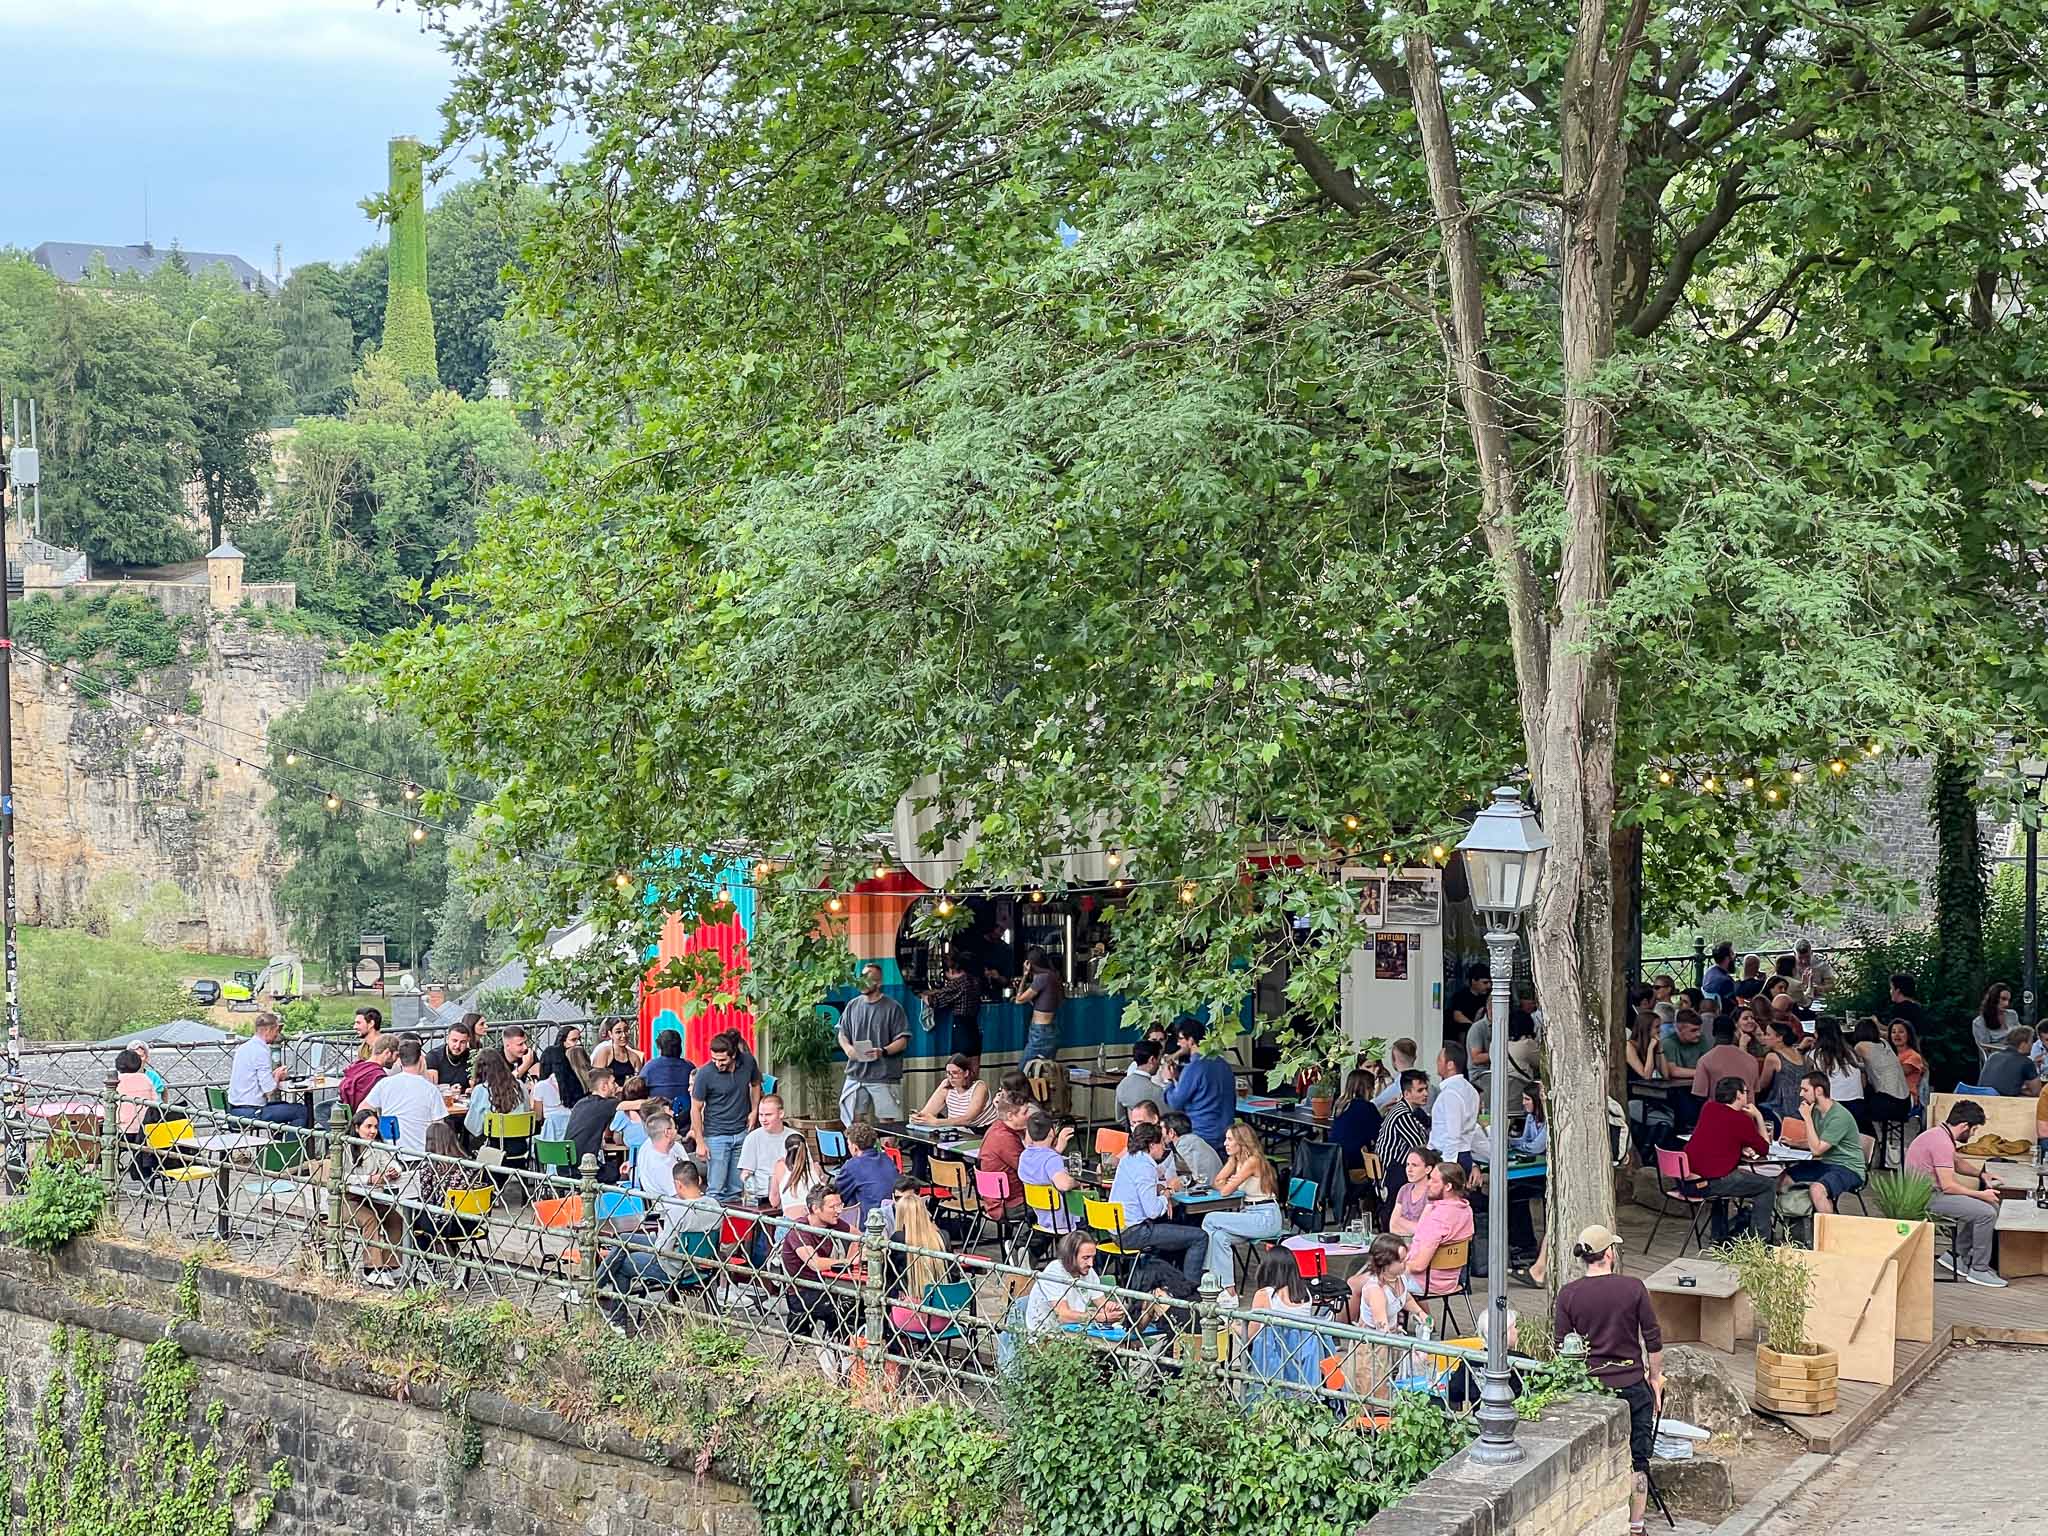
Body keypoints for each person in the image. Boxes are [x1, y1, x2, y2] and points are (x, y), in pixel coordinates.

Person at [1554, 1226, 1663, 1536]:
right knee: (1638, 1459)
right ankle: (1636, 1525)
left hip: (1591, 1388)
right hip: (1631, 1383)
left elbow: (1561, 1347)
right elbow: (1653, 1339)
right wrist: (1655, 1378)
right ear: (1609, 1254)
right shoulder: (1633, 1288)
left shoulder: (1569, 1294)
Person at [599, 1146, 723, 1322]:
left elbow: (662, 1249)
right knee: (623, 1240)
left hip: (675, 1267)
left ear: (678, 1184)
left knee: (623, 1263)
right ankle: (596, 1285)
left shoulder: (677, 1211)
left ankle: (616, 1319)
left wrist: (658, 1237)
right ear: (699, 1180)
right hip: (700, 1262)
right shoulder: (715, 1205)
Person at [1904, 1100, 2005, 1287]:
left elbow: (1957, 1163)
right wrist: (1981, 1194)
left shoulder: (1940, 1134)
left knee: (1989, 1206)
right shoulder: (1941, 1142)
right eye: (1974, 1129)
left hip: (1929, 1192)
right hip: (1925, 1197)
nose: (1974, 1134)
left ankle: (1957, 1256)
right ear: (1965, 1126)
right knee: (1986, 1212)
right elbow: (1949, 1187)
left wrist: (1982, 1175)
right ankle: (1979, 1269)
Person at [1108, 1122, 1207, 1290]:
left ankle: (1172, 1282)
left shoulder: (1128, 1159)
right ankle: (1189, 1290)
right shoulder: (1146, 1167)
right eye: (1161, 1142)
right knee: (1199, 1237)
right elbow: (1153, 1211)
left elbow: (1141, 1189)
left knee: (1175, 1230)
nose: (1164, 1146)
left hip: (1116, 1231)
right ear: (1151, 1145)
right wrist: (1168, 1192)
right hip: (1134, 1233)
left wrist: (1161, 1190)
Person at [1197, 1122, 1282, 1296]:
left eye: (1229, 1140)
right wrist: (1228, 1182)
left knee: (1210, 1218)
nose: (1225, 1144)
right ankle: (1229, 1292)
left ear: (1242, 1141)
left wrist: (1228, 1184)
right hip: (1249, 1214)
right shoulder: (1235, 1160)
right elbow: (1216, 1182)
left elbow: (1225, 1191)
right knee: (1219, 1237)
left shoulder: (1253, 1161)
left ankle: (1207, 1274)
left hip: (1265, 1217)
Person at [1687, 1078, 1776, 1241]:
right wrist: (1758, 1116)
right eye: (1745, 1092)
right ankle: (1760, 1241)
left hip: (1688, 1181)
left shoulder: (1709, 1108)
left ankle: (1718, 1235)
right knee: (1768, 1185)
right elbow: (1764, 1148)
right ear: (1738, 1095)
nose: (1747, 1095)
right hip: (1709, 1184)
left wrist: (1739, 1147)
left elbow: (1720, 1137)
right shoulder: (1741, 1120)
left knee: (1725, 1175)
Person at [781, 1187, 857, 1369]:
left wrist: (854, 1255)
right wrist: (847, 1262)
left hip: (828, 1286)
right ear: (816, 1208)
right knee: (849, 1308)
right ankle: (840, 1355)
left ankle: (847, 1357)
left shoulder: (832, 1223)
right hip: (803, 1292)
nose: (839, 1211)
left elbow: (860, 1237)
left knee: (860, 1305)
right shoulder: (800, 1230)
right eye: (833, 1207)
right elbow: (814, 1263)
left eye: (840, 1205)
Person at [342, 1106, 411, 1287]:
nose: (372, 1131)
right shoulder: (345, 1147)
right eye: (368, 1127)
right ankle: (372, 1268)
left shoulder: (378, 1147)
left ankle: (392, 1263)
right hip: (347, 1200)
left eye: (375, 1127)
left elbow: (393, 1163)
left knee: (395, 1218)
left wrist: (394, 1171)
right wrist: (369, 1179)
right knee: (370, 1219)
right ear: (357, 1128)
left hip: (372, 1198)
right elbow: (341, 1177)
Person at [690, 1029, 761, 1202]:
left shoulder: (748, 1062)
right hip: (716, 1136)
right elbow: (695, 1108)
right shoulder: (705, 1074)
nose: (717, 1064)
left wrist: (754, 1110)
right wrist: (700, 1142)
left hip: (742, 1132)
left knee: (736, 1189)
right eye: (714, 1059)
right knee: (716, 1189)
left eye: (722, 1060)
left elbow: (756, 1084)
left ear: (733, 1055)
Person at [887, 1188, 967, 1337]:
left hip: (907, 1317)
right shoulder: (942, 1237)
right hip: (942, 1318)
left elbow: (888, 1277)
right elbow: (954, 1276)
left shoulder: (898, 1239)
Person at [1783, 1071, 1866, 1215]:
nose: (1801, 1094)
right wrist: (1793, 1143)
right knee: (1783, 1180)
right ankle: (1790, 1222)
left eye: (1805, 1090)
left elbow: (1817, 1150)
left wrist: (1807, 1118)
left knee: (1817, 1190)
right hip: (1825, 1163)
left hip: (1848, 1167)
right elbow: (1816, 1142)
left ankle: (1828, 1227)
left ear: (1819, 1091)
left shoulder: (1839, 1116)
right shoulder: (1816, 1110)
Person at [837, 963, 909, 1121]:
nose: (862, 982)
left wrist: (882, 1051)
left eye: (868, 979)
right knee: (854, 1122)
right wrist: (848, 1049)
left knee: (888, 1124)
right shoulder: (852, 1005)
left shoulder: (893, 1008)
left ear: (879, 983)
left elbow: (902, 1041)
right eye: (861, 978)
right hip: (856, 1075)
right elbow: (842, 1033)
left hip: (884, 1076)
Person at [1026, 1229, 1123, 1335]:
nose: (1091, 1263)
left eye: (1093, 1257)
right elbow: (1063, 1315)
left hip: (1074, 1329)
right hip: (1045, 1333)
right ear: (1070, 1257)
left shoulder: (1088, 1271)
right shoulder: (1053, 1272)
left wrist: (1110, 1308)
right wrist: (1098, 1317)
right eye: (1086, 1258)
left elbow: (1102, 1304)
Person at [1404, 1161, 1474, 1297]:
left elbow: (1419, 1266)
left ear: (1448, 1186)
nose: (1428, 1183)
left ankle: (1413, 1308)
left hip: (1426, 1282)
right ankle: (1419, 1311)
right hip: (1452, 1280)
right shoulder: (1466, 1210)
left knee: (1364, 1282)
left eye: (1434, 1180)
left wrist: (1390, 1267)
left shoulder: (1437, 1219)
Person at [227, 1013, 311, 1127]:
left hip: (234, 1111)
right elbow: (269, 1090)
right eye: (276, 1031)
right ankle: (292, 1139)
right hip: (251, 1113)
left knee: (285, 1106)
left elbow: (254, 1078)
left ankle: (278, 1138)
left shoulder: (244, 1048)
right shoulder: (261, 1051)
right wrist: (277, 1076)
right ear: (268, 1030)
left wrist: (273, 1075)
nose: (277, 1034)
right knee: (301, 1111)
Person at [1162, 1018, 1233, 1148]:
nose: (1178, 1043)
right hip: (1227, 1132)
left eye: (1180, 1039)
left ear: (1191, 1040)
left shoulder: (1194, 1067)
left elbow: (1175, 1102)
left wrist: (1169, 1081)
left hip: (1202, 1133)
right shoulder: (1223, 1063)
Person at [1374, 1071, 1432, 1212]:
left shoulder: (1406, 1110)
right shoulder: (1402, 1115)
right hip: (1392, 1176)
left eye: (1426, 1089)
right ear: (1406, 1094)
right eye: (1420, 1090)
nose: (1426, 1094)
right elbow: (1420, 1148)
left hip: (1392, 1171)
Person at [922, 950, 984, 1077]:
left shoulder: (958, 983)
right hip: (974, 1028)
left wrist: (924, 996)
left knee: (959, 1067)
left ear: (953, 970)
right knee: (973, 1069)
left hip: (961, 1028)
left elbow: (934, 1001)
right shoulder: (975, 981)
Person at [1017, 1111, 1079, 1237]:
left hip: (1041, 1217)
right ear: (1051, 1132)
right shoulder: (1052, 1159)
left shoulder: (1025, 1156)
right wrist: (1077, 1182)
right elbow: (1064, 1185)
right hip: (1063, 1220)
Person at [1350, 1232, 1427, 1333]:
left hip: (1392, 1332)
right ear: (1385, 1264)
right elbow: (1382, 1329)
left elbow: (1405, 1298)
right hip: (1373, 1338)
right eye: (1401, 1260)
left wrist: (1420, 1312)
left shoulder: (1400, 1277)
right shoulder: (1376, 1291)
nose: (1406, 1262)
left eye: (1406, 1258)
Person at [462, 1048, 531, 1158]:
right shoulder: (519, 1085)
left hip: (492, 1151)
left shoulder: (481, 1090)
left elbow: (474, 1127)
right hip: (520, 1148)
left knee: (464, 1134)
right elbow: (526, 1112)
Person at [1427, 1041, 1480, 1171]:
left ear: (1450, 1065)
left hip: (1448, 1157)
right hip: (1461, 1153)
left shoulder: (1451, 1093)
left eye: (1439, 1060)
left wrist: (1447, 1165)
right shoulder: (1470, 1089)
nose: (1437, 1063)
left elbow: (1453, 1134)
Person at [565, 1069, 626, 1180]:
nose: (616, 1086)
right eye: (613, 1082)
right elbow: (628, 1105)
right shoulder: (607, 1104)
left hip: (565, 1167)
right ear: (604, 1086)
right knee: (624, 1170)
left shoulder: (580, 1103)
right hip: (585, 1169)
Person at [977, 1093, 1031, 1219]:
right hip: (1009, 1205)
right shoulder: (1004, 1138)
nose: (1029, 1116)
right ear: (1010, 1116)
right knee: (1062, 1203)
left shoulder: (997, 1127)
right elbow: (1030, 1171)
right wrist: (1057, 1149)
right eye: (1025, 1113)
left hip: (995, 1201)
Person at [833, 1120, 898, 1224]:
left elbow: (837, 1196)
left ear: (855, 1147)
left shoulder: (852, 1166)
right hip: (895, 1217)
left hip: (871, 1222)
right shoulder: (887, 1158)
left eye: (848, 1144)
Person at [1808, 1017, 1868, 1129]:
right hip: (1858, 1105)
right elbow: (1863, 1082)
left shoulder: (1815, 1055)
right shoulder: (1851, 1052)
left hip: (1833, 1106)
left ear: (1818, 1034)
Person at [1851, 1017, 1911, 1127]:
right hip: (1905, 1103)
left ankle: (1868, 1135)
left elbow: (1853, 1065)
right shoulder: (1884, 1042)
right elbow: (1876, 1065)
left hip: (1889, 1103)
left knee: (1856, 1107)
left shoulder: (1860, 1046)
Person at [910, 1054, 995, 1129]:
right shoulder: (946, 1084)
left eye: (955, 1073)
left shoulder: (979, 1087)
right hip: (959, 1129)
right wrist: (918, 1118)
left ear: (966, 1073)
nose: (951, 1077)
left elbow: (967, 1119)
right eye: (948, 1073)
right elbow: (927, 1112)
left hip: (982, 1130)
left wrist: (937, 1122)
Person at [1690, 1016, 1760, 1106]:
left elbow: (1699, 1096)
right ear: (1734, 1033)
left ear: (1713, 1033)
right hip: (1748, 1112)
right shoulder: (1751, 1060)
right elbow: (1756, 1092)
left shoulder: (1705, 1060)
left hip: (1718, 1112)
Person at [1014, 946, 1064, 1067]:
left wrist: (1025, 975)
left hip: (1040, 1031)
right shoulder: (1053, 976)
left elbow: (1019, 1000)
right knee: (1045, 1070)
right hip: (1050, 1028)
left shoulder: (1042, 978)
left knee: (1023, 1069)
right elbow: (1040, 1003)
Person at [1329, 1067, 1384, 1178]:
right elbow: (1380, 1135)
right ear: (1367, 1088)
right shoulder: (1367, 1107)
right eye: (1373, 1086)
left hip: (1335, 1161)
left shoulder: (1340, 1104)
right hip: (1355, 1163)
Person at [738, 1092, 790, 1205]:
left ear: (781, 1114)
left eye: (768, 1115)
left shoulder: (794, 1137)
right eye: (761, 1115)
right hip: (761, 1196)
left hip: (789, 1194)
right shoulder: (752, 1138)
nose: (763, 1119)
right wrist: (748, 1181)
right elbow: (745, 1172)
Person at [1760, 1016, 1808, 1129]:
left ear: (1779, 1038)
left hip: (1782, 1107)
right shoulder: (1800, 1054)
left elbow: (1762, 1085)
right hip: (1803, 1105)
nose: (1764, 1037)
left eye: (1768, 1034)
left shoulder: (1772, 1057)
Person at [771, 1131, 825, 1220]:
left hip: (790, 1222)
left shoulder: (780, 1167)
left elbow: (774, 1201)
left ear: (786, 1151)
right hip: (814, 1222)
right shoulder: (816, 1168)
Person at [640, 1028, 695, 1114]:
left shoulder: (649, 1068)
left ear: (659, 1048)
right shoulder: (690, 1067)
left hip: (657, 1116)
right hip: (686, 1115)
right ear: (680, 1047)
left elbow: (638, 1091)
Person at [1160, 1112, 1222, 1187]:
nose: (1160, 1133)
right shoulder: (1186, 1141)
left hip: (1208, 1190)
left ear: (1171, 1132)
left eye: (1161, 1128)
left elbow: (1170, 1176)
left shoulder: (1185, 1143)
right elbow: (1163, 1167)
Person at [539, 1024, 591, 1111]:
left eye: (579, 1039)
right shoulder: (553, 1054)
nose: (578, 1043)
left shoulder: (578, 1055)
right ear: (563, 1041)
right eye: (573, 1040)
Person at [1388, 1147, 1439, 1237]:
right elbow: (1392, 1227)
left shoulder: (1432, 1192)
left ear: (1428, 1169)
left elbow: (1422, 1230)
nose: (1409, 1169)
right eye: (1407, 1164)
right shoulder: (1404, 1189)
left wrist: (1400, 1221)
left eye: (1414, 1165)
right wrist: (1412, 1228)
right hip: (1400, 1241)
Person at [1981, 1025, 2042, 1097]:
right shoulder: (2026, 1062)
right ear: (2023, 1044)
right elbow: (2036, 1092)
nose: (2032, 1045)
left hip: (1980, 1097)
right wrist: (2020, 1090)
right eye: (2031, 1042)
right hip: (2002, 1100)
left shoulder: (1993, 1056)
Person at [340, 1032, 395, 1111]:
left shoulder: (355, 1067)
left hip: (349, 1113)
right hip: (364, 1116)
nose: (397, 1060)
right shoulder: (378, 1076)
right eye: (397, 1055)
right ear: (387, 1053)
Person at [1115, 1040, 1167, 1124]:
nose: (1160, 1064)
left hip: (1132, 1130)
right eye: (1159, 1059)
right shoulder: (1156, 1091)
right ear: (1152, 1059)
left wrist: (1133, 1128)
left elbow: (1120, 1118)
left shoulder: (1122, 1085)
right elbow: (1168, 1118)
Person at [112, 1048, 160, 1136]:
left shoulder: (116, 1080)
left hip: (122, 1128)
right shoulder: (146, 1078)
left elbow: (108, 1101)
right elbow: (155, 1099)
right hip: (144, 1126)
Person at [1972, 982, 2018, 1064]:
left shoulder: (2012, 1015)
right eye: (2003, 999)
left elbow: (2021, 1035)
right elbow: (1985, 1049)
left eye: (2008, 1000)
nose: (2006, 1004)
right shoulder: (1979, 1022)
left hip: (2018, 1054)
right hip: (1997, 1059)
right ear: (1994, 998)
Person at [1445, 965, 1491, 1044]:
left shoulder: (1487, 996)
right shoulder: (1461, 996)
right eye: (1485, 982)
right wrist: (1474, 1027)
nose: (1489, 986)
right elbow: (1457, 1015)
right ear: (1473, 981)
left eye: (1490, 982)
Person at [424, 1019, 476, 1090]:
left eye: (462, 1042)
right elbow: (432, 1088)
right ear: (447, 1039)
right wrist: (448, 1090)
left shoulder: (472, 1057)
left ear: (468, 1041)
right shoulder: (433, 1056)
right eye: (454, 1041)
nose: (457, 1046)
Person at [1888, 1018, 1927, 1106]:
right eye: (1893, 1032)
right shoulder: (1888, 1054)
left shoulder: (1914, 1056)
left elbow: (1896, 1074)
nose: (1897, 1035)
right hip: (1890, 1095)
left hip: (1906, 1097)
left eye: (1901, 1032)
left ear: (1909, 1035)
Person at [1371, 1039, 1419, 1109]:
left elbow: (1373, 1105)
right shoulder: (1430, 1087)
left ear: (1393, 1060)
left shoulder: (1397, 1086)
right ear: (1415, 1058)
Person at [1660, 1010, 1709, 1078]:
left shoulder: (1701, 1039)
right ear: (1679, 1029)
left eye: (1699, 1029)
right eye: (1693, 1030)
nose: (1698, 1034)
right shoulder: (1668, 1043)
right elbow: (1673, 1071)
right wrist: (1703, 1072)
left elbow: (1708, 1065)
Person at [1510, 1085, 1548, 1157]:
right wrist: (1507, 1142)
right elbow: (1525, 1140)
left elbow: (1537, 1148)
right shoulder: (1530, 1117)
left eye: (1527, 1099)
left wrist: (1517, 1147)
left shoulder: (1548, 1121)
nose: (1523, 1103)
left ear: (1537, 1101)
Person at [1625, 1012, 1664, 1081]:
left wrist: (1660, 1049)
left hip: (1646, 1086)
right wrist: (1650, 1049)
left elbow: (1665, 1074)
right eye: (1657, 1027)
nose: (1660, 1030)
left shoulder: (1652, 1043)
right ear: (1646, 1028)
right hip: (1632, 1086)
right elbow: (1646, 1076)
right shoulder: (1629, 1046)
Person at [1702, 941, 1737, 1011]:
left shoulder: (1709, 972)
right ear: (1727, 958)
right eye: (1732, 954)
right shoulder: (1725, 982)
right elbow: (1733, 1006)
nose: (1735, 956)